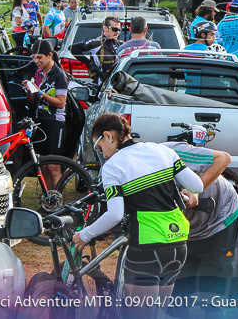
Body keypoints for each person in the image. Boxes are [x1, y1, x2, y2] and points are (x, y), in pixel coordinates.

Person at [74, 114, 204, 301]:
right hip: (178, 242)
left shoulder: (112, 167)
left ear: (108, 135)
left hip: (147, 246)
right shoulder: (161, 151)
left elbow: (115, 214)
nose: (101, 152)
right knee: (160, 311)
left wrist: (84, 235)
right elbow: (197, 187)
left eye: (99, 146)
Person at [164, 129, 238, 297]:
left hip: (221, 217)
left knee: (217, 283)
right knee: (180, 287)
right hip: (186, 227)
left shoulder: (170, 151)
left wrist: (195, 189)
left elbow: (224, 158)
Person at [22, 40, 70, 188]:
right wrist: (30, 91)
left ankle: (58, 202)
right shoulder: (37, 73)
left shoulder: (59, 74)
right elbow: (32, 101)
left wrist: (41, 93)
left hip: (56, 122)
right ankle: (49, 199)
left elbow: (61, 102)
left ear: (50, 55)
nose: (36, 61)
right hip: (40, 120)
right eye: (34, 58)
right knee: (42, 164)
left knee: (53, 167)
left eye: (39, 57)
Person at [70, 15, 121, 83]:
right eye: (115, 29)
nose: (117, 32)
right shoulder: (97, 43)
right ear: (105, 28)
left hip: (116, 83)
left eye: (119, 30)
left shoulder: (119, 44)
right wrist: (90, 64)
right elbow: (73, 48)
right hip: (100, 85)